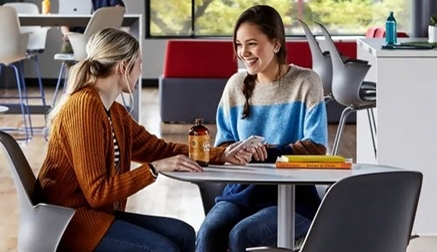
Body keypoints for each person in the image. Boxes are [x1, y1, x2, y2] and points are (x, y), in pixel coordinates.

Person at [38, 28, 254, 252]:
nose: (141, 70)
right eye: (139, 63)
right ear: (123, 67)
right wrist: (154, 169)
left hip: (98, 217)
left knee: (183, 234)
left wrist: (222, 154)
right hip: (70, 224)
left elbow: (158, 149)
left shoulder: (114, 111)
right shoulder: (84, 108)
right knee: (163, 249)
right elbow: (97, 193)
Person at [196, 5, 328, 252]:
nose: (243, 52)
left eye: (252, 44)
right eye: (238, 44)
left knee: (241, 236)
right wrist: (236, 151)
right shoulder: (235, 85)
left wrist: (267, 152)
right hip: (241, 194)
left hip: (294, 201)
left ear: (276, 44)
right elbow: (222, 147)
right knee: (208, 232)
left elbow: (316, 148)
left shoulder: (307, 82)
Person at [60, 0, 125, 53]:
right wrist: (67, 34)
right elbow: (64, 21)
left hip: (101, 36)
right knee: (68, 47)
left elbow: (119, 9)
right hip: (77, 37)